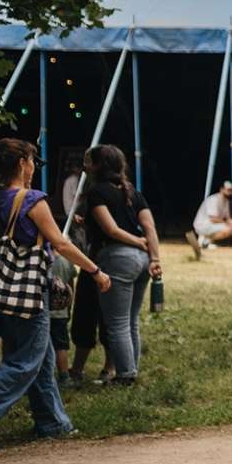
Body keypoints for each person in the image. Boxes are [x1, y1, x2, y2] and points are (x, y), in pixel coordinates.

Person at [0, 139, 107, 438]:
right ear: (21, 164)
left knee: (39, 359)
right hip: (28, 291)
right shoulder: (32, 199)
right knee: (25, 362)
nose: (32, 167)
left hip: (0, 290)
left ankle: (52, 423)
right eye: (31, 161)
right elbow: (61, 243)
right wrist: (95, 271)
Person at [83, 145, 161, 386]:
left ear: (98, 166)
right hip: (143, 260)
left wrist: (135, 241)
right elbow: (150, 227)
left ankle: (126, 375)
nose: (85, 166)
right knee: (131, 320)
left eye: (89, 162)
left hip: (117, 258)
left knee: (116, 322)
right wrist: (155, 258)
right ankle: (131, 370)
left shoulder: (97, 192)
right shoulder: (133, 192)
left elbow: (110, 229)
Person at [187, 181, 232, 256]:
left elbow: (228, 218)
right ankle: (204, 238)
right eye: (228, 190)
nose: (230, 192)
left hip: (212, 225)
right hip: (203, 224)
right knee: (228, 228)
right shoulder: (214, 199)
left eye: (231, 190)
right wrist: (228, 224)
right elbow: (213, 219)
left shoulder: (226, 201)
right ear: (222, 189)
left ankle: (205, 241)